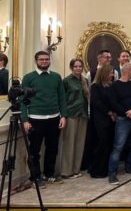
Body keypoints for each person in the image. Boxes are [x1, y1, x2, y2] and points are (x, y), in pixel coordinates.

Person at [21, 51, 67, 187]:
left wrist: (63, 116)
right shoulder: (29, 78)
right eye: (41, 59)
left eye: (47, 59)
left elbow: (62, 98)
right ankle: (35, 177)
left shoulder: (56, 77)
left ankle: (49, 174)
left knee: (52, 148)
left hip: (54, 118)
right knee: (34, 151)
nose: (44, 61)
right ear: (36, 61)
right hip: (35, 119)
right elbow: (23, 100)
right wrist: (25, 120)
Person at [107, 63, 131, 185]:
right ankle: (112, 173)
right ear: (128, 71)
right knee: (118, 146)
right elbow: (113, 103)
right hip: (123, 119)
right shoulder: (114, 86)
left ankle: (130, 167)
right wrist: (128, 113)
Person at [60, 58, 89, 179]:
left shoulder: (85, 81)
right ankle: (67, 171)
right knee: (69, 143)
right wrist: (63, 115)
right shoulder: (66, 81)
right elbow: (62, 99)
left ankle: (76, 170)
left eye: (80, 66)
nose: (78, 68)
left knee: (80, 143)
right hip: (71, 114)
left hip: (83, 114)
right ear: (71, 67)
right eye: (75, 66)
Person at [88, 64, 116, 179]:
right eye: (110, 72)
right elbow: (96, 103)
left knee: (109, 144)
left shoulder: (111, 86)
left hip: (111, 119)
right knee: (101, 144)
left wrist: (113, 112)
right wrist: (109, 112)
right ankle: (97, 170)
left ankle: (105, 168)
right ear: (104, 73)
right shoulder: (95, 86)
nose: (112, 75)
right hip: (100, 119)